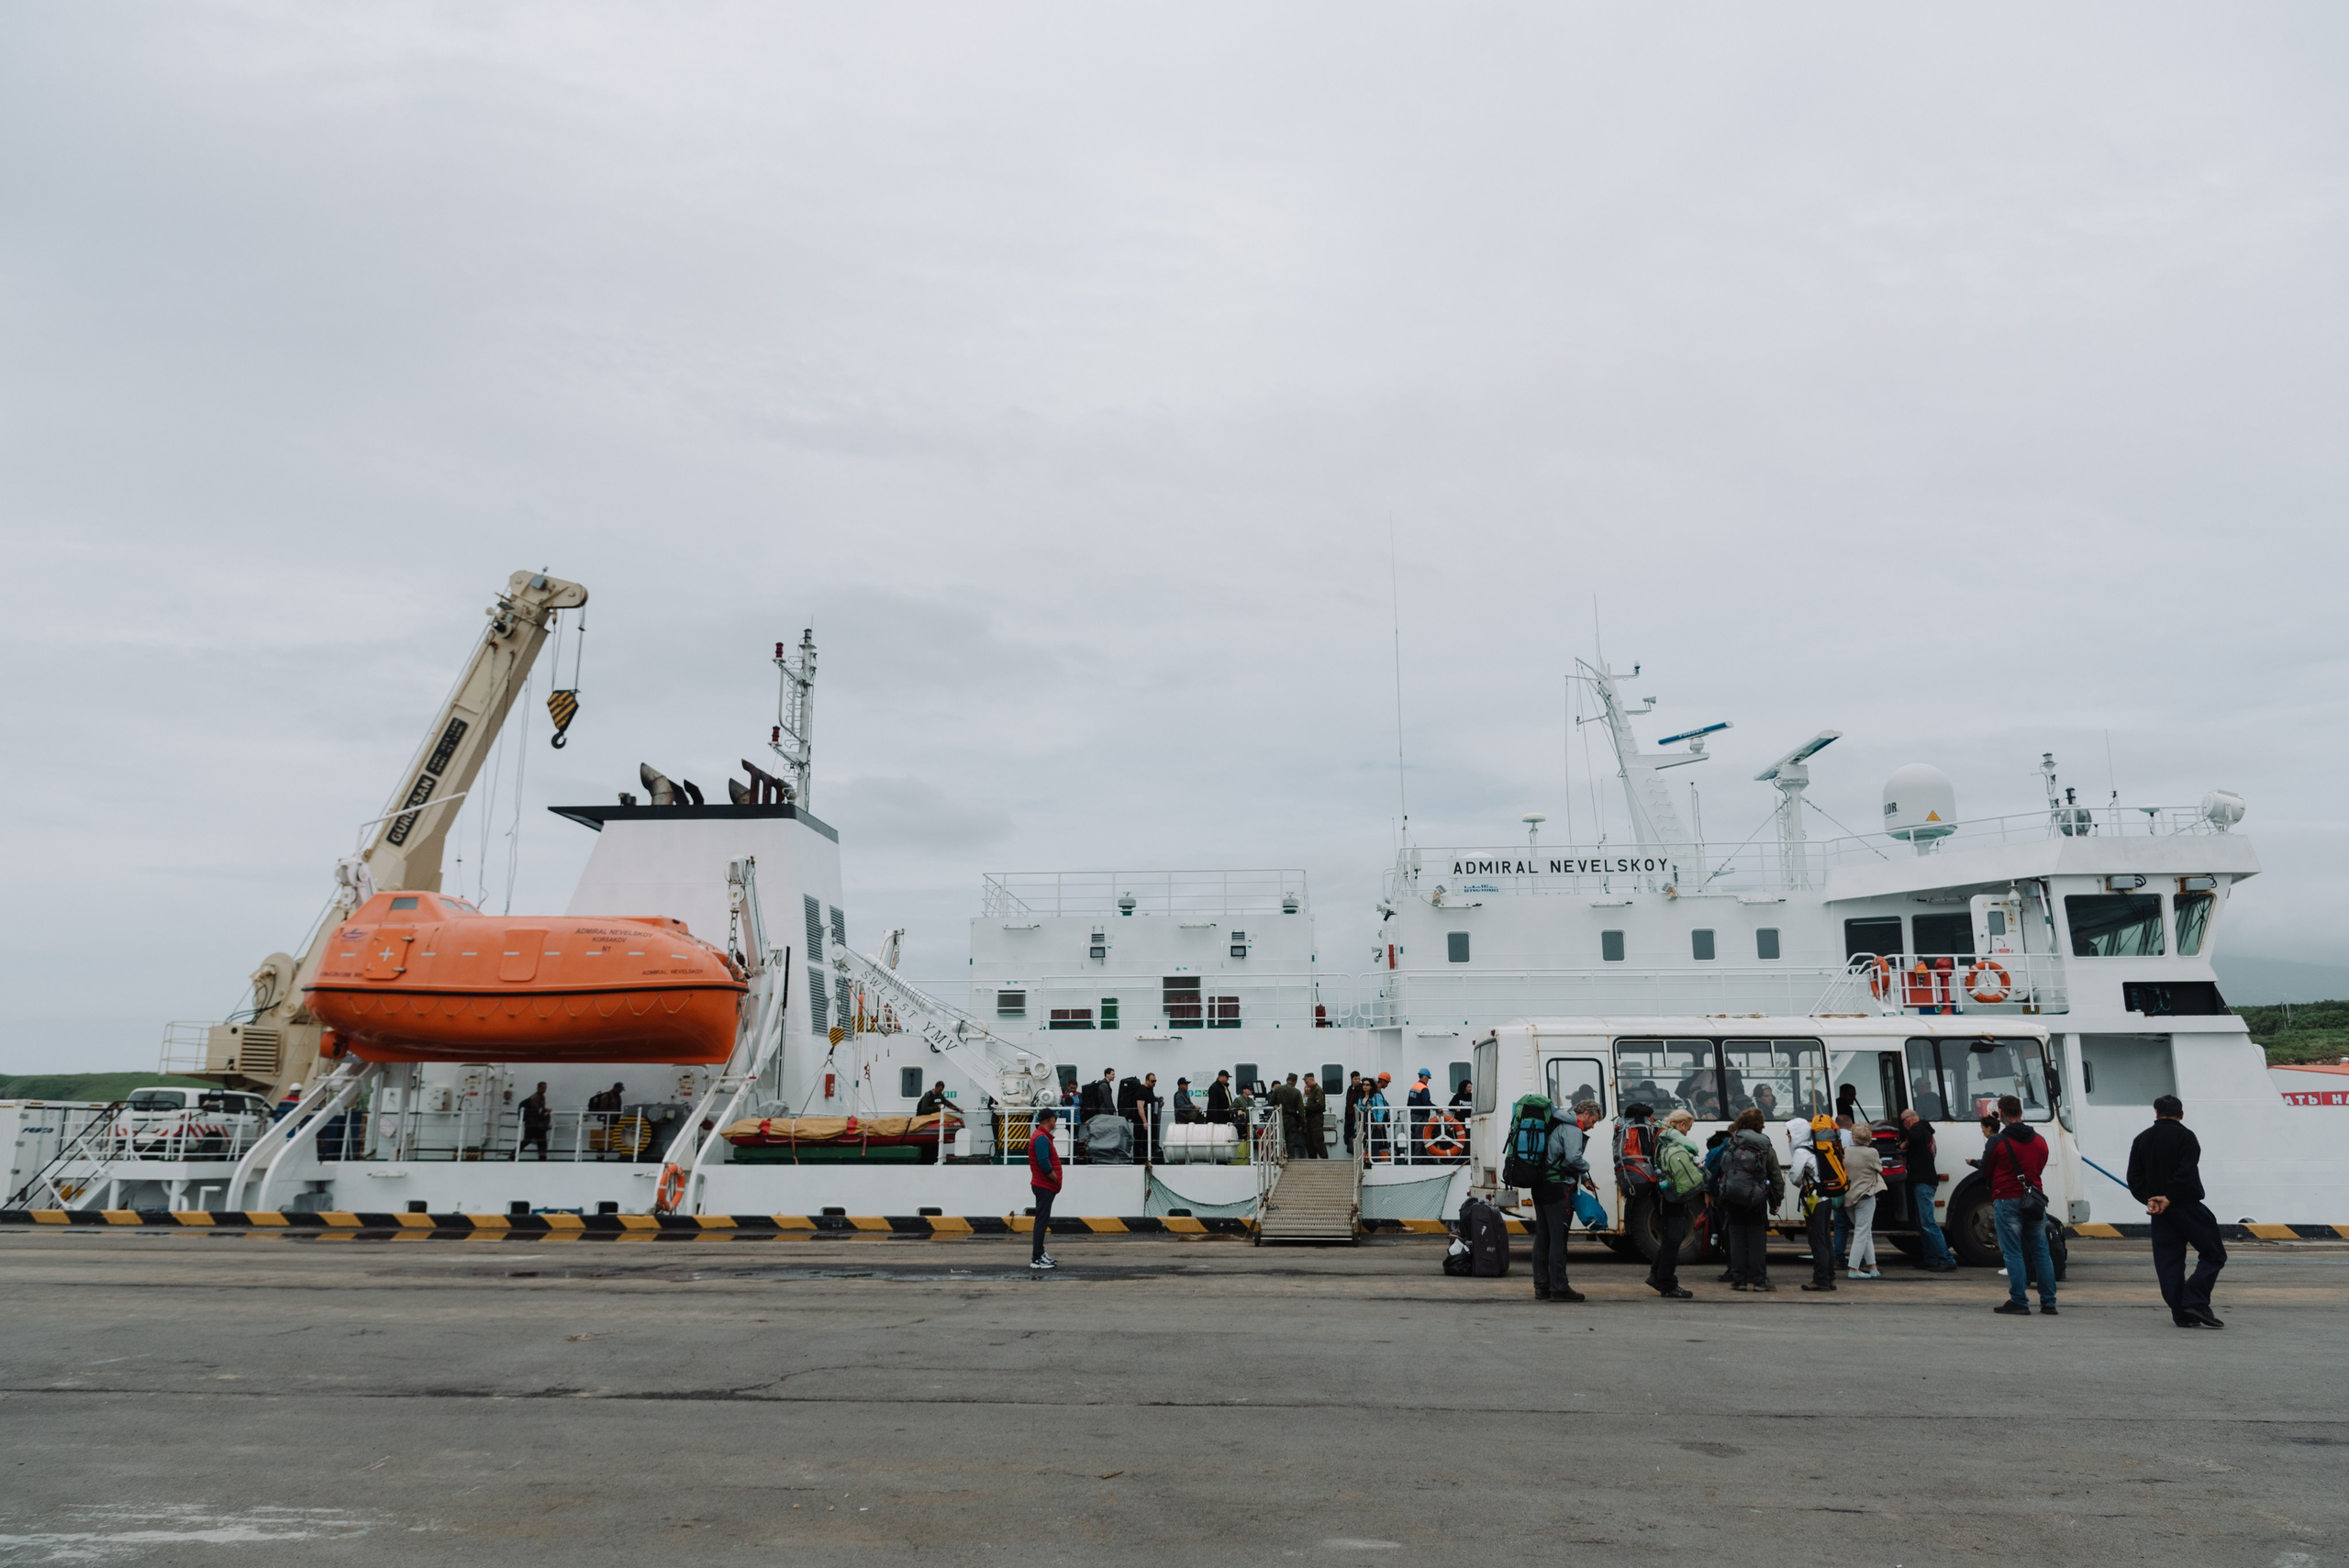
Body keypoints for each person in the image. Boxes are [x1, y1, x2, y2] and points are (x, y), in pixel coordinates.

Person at [2129, 1094, 2227, 1329]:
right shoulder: (2186, 1137)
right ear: (2181, 1114)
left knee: (2169, 1263)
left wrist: (2150, 1199)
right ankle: (2194, 1300)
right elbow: (2186, 1172)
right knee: (2214, 1254)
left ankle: (2181, 1314)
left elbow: (2134, 1178)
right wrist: (2169, 1197)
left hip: (2159, 1213)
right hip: (2187, 1206)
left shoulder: (2142, 1139)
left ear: (2156, 1113)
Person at [1986, 1094, 2057, 1317]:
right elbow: (2040, 1165)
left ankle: (2019, 1300)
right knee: (2041, 1252)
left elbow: (1985, 1170)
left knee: (2013, 1253)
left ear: (2002, 1114)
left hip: (2007, 1199)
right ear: (2021, 1113)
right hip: (2034, 1201)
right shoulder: (2039, 1141)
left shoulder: (1997, 1141)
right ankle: (2048, 1302)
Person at [1532, 1099, 1600, 1303]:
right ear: (1585, 1113)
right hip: (1557, 1188)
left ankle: (1542, 1287)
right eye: (1594, 1121)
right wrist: (1587, 1167)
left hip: (1542, 1185)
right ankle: (1559, 1288)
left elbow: (1562, 1159)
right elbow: (1572, 1159)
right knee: (1558, 1239)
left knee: (1543, 1238)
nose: (1593, 1126)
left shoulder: (1559, 1123)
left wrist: (1585, 1180)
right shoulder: (1572, 1129)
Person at [1720, 1107, 1785, 1291]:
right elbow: (1775, 1174)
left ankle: (1739, 1281)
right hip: (1755, 1199)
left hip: (1733, 1197)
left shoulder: (1732, 1141)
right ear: (1760, 1125)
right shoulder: (1764, 1145)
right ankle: (1759, 1281)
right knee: (1756, 1240)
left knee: (1737, 1238)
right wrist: (1776, 1200)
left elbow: (1723, 1167)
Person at [1648, 1107, 1702, 1298]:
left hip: (1663, 1192)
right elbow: (1694, 1147)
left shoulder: (1659, 1134)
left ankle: (1656, 1275)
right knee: (1674, 1237)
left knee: (1670, 1237)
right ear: (1681, 1124)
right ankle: (1668, 1283)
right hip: (1670, 1194)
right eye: (1688, 1128)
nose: (1687, 1132)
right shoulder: (1670, 1133)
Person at [1898, 1108, 1956, 1272]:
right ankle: (1930, 1258)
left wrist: (1904, 1144)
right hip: (1926, 1181)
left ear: (1908, 1120)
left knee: (1928, 1223)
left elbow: (1914, 1137)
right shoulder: (1926, 1130)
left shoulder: (1917, 1129)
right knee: (1924, 1223)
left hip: (1923, 1181)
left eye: (1903, 1123)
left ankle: (1947, 1259)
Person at [1791, 1115, 1837, 1293]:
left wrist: (1799, 1180)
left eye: (1789, 1133)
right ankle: (1830, 1277)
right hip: (1825, 1198)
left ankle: (1820, 1280)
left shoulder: (1801, 1152)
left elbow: (1795, 1177)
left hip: (1814, 1200)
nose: (1788, 1136)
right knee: (1826, 1239)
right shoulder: (1815, 1147)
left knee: (1817, 1241)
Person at [1843, 1123, 1886, 1279]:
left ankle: (1872, 1266)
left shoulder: (1845, 1151)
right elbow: (1879, 1168)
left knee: (1864, 1231)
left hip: (1848, 1197)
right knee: (1862, 1232)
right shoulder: (1872, 1152)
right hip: (1866, 1195)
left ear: (1853, 1137)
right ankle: (1853, 1269)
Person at [1027, 1101, 1063, 1273]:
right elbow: (1044, 1164)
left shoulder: (1041, 1136)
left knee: (1042, 1221)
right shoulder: (1041, 1138)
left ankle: (1040, 1253)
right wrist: (1055, 1178)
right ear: (1050, 1120)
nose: (1055, 1122)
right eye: (1054, 1120)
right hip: (1044, 1185)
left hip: (1044, 1185)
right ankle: (1036, 1258)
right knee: (1041, 1222)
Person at [518, 1082, 551, 1161]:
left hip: (536, 1123)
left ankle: (542, 1158)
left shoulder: (541, 1096)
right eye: (543, 1087)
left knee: (541, 1141)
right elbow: (536, 1109)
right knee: (528, 1140)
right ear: (538, 1088)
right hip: (533, 1123)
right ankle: (513, 1155)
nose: (544, 1089)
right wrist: (546, 1110)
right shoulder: (535, 1097)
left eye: (545, 1087)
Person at [1302, 1074, 1329, 1157]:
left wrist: (1307, 1107)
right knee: (1309, 1141)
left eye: (1307, 1082)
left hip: (1316, 1118)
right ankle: (1312, 1159)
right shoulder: (1312, 1091)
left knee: (1318, 1140)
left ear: (1312, 1079)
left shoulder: (1318, 1090)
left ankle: (1325, 1160)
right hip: (1310, 1118)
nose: (1306, 1084)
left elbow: (1320, 1105)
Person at [1341, 1072, 1364, 1153]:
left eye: (1359, 1078)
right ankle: (1353, 1152)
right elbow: (1348, 1102)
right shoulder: (1350, 1089)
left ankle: (1356, 1155)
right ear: (1351, 1079)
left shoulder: (1361, 1088)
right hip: (1349, 1116)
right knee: (1346, 1137)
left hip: (1356, 1116)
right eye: (1355, 1079)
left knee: (1355, 1136)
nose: (1358, 1081)